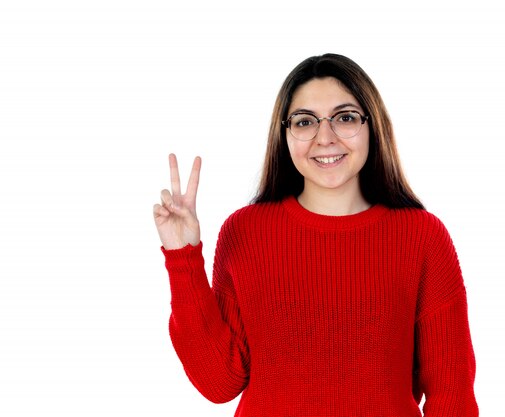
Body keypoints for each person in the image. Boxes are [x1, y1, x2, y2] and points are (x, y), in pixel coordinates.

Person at [153, 53, 479, 416]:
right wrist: (182, 255)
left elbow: (452, 396)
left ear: (373, 125)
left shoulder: (422, 236)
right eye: (305, 121)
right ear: (285, 133)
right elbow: (218, 382)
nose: (325, 138)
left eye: (345, 117)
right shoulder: (245, 232)